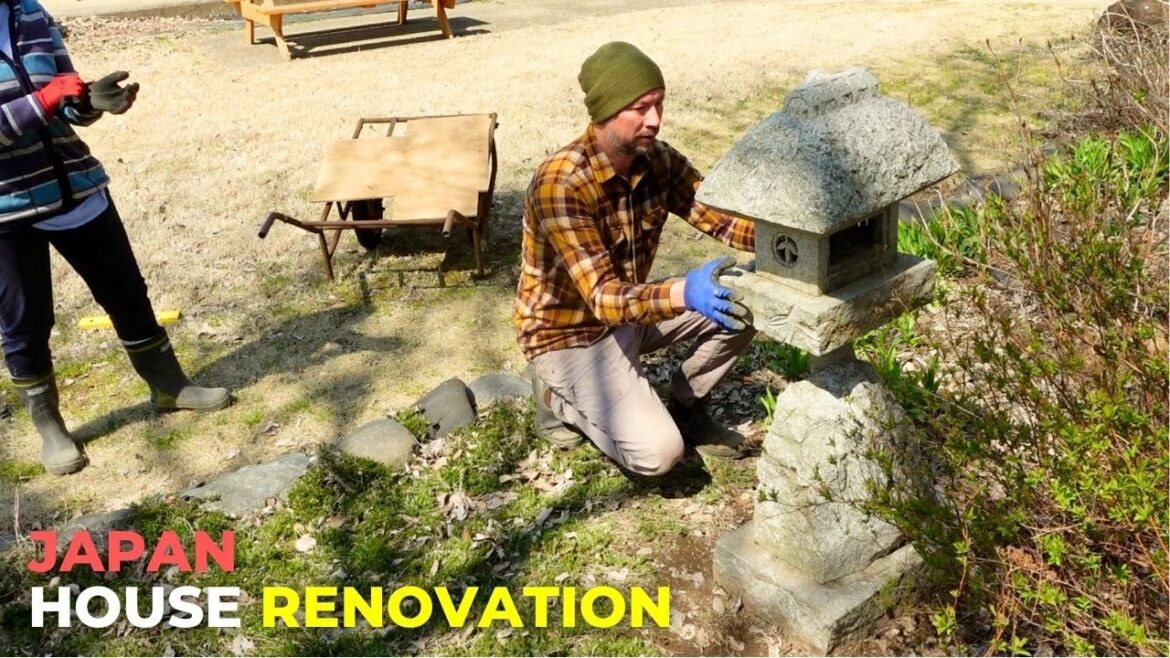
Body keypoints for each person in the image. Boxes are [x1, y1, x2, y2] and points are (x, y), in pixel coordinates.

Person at [0, 0, 230, 476]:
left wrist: (86, 104)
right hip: (6, 210)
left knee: (126, 292)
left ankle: (168, 385)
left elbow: (64, 95)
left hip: (75, 184)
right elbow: (43, 102)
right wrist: (44, 103)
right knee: (25, 322)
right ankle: (50, 426)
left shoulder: (29, 13)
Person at [514, 41, 758, 477]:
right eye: (641, 107)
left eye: (659, 104)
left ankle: (687, 403)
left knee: (749, 302)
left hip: (629, 316)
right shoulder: (562, 184)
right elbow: (604, 299)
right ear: (606, 110)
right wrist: (685, 292)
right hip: (570, 336)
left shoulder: (657, 160)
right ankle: (558, 398)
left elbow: (716, 217)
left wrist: (791, 241)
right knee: (660, 455)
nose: (655, 120)